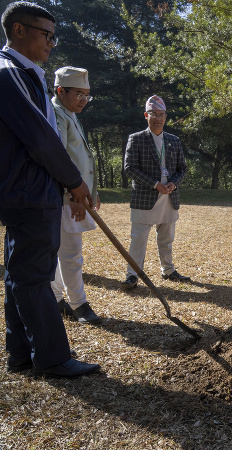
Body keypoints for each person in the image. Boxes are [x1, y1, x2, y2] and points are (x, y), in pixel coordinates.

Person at [1, 1, 99, 377]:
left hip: (27, 190)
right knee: (36, 277)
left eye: (53, 37)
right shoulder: (9, 74)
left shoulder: (27, 73)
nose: (51, 44)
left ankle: (22, 354)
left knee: (20, 275)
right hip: (28, 190)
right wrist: (73, 182)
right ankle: (53, 358)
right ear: (19, 30)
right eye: (46, 35)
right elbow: (41, 138)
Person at [121, 95, 190, 289]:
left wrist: (173, 184)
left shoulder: (174, 140)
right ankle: (132, 275)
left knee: (167, 239)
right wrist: (155, 184)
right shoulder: (136, 139)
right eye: (154, 114)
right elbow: (130, 168)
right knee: (138, 240)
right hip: (146, 197)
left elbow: (182, 169)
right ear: (146, 115)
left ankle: (168, 271)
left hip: (169, 197)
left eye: (162, 114)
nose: (158, 118)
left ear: (166, 116)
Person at [50, 66, 102, 324]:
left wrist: (92, 191)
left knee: (64, 250)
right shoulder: (56, 114)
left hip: (75, 193)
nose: (84, 100)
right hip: (65, 196)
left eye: (87, 95)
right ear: (61, 90)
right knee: (71, 253)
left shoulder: (69, 112)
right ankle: (79, 305)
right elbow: (60, 156)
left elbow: (82, 157)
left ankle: (57, 298)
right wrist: (73, 197)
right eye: (78, 94)